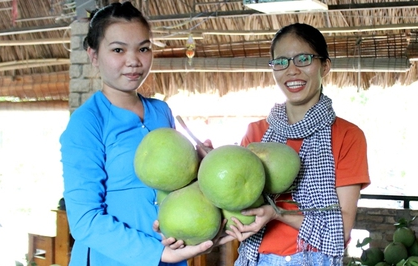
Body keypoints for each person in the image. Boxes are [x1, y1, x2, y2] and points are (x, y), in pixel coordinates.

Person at [59, 2, 231, 265]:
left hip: (173, 255)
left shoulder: (161, 111)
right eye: (118, 50)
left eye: (143, 48)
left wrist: (201, 162)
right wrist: (157, 253)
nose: (134, 61)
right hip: (112, 259)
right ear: (93, 55)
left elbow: (174, 185)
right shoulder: (87, 123)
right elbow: (84, 220)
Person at [225, 23, 371, 266]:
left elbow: (342, 228)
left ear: (325, 65)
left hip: (315, 259)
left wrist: (278, 213)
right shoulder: (256, 134)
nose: (291, 70)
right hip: (256, 259)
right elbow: (236, 204)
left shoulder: (348, 136)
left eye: (303, 59)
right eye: (281, 62)